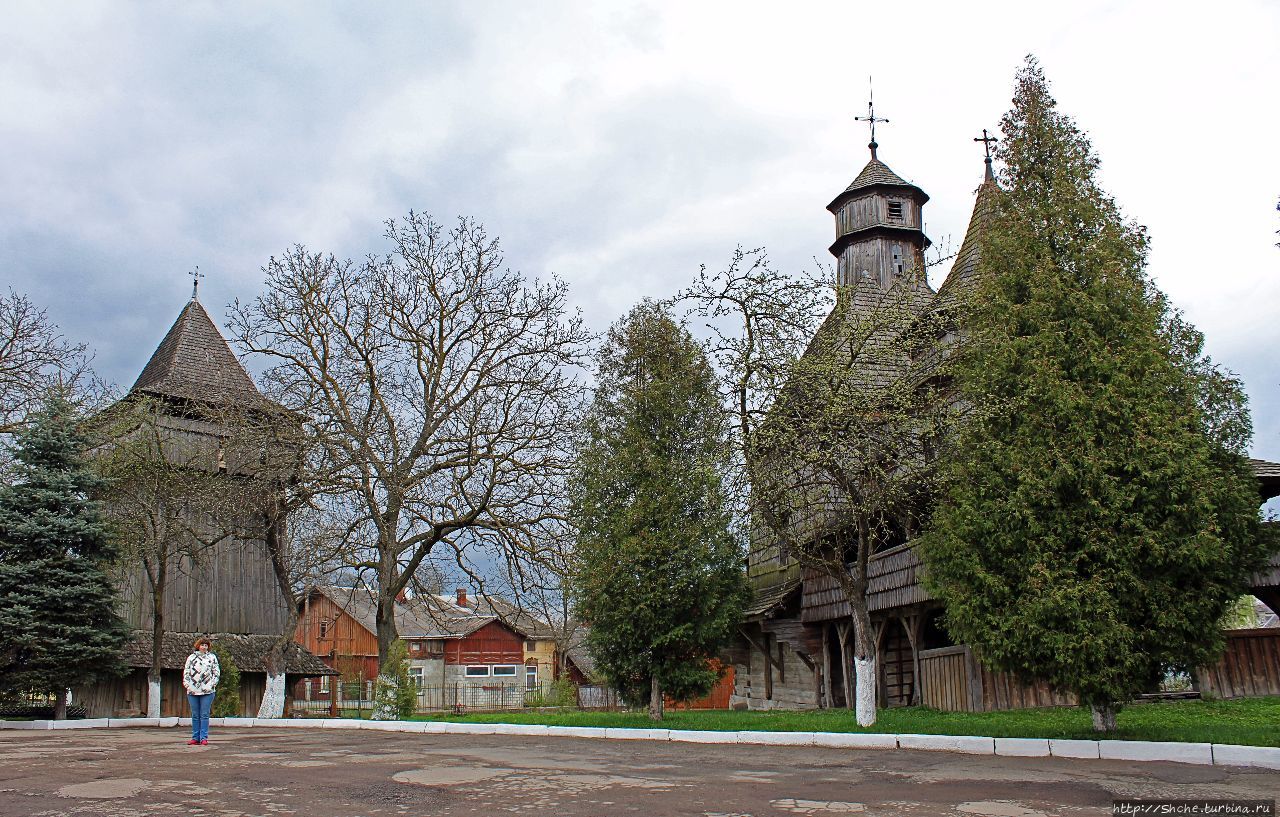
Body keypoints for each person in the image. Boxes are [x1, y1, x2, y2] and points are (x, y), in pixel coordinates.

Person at [183, 636, 220, 745]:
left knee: (204, 714)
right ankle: (195, 737)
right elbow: (187, 671)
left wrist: (212, 684)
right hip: (193, 690)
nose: (204, 647)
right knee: (195, 714)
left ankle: (203, 737)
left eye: (206, 645)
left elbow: (216, 672)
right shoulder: (191, 658)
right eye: (202, 645)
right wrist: (187, 684)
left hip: (207, 691)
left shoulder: (212, 658)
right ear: (198, 646)